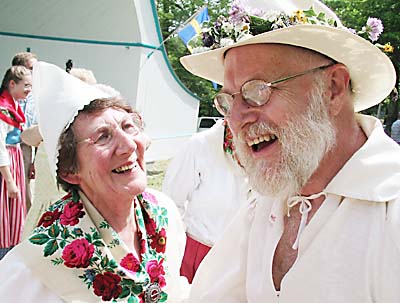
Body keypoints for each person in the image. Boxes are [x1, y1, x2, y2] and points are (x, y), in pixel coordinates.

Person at [179, 0, 399, 302]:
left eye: (257, 90)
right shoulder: (266, 205)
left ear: (333, 88)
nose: (236, 119)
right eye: (228, 101)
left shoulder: (391, 206)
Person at [0, 62, 189, 303]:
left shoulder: (164, 212)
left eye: (128, 126)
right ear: (70, 170)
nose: (129, 145)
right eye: (103, 136)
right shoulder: (31, 269)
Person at [162, 119, 250, 283]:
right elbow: (172, 202)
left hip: (242, 259)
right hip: (199, 253)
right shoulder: (200, 145)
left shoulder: (267, 148)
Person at [0, 66, 30, 259]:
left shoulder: (15, 107)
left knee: (13, 214)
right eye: (26, 85)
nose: (29, 90)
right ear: (12, 84)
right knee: (4, 212)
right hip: (6, 166)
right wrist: (10, 181)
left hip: (15, 161)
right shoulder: (3, 109)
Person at [11, 52, 39, 212]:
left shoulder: (36, 97)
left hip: (26, 148)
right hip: (8, 146)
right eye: (31, 69)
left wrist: (35, 162)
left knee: (25, 192)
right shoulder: (8, 97)